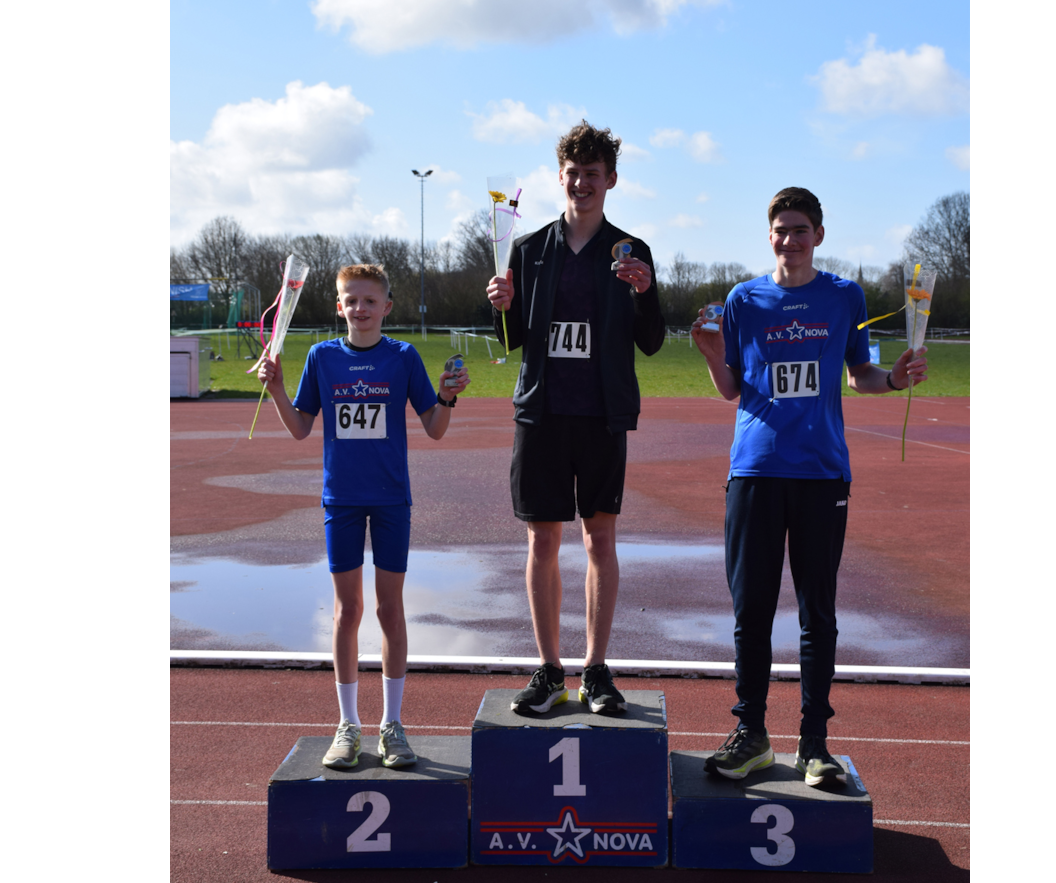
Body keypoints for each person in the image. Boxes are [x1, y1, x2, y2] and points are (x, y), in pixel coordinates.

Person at [689, 188, 928, 787]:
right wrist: (711, 353)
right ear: (768, 235)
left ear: (818, 236)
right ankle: (751, 734)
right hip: (755, 471)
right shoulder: (744, 299)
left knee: (817, 611)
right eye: (780, 229)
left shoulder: (844, 295)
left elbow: (860, 373)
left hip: (821, 473)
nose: (789, 239)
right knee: (751, 611)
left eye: (800, 230)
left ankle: (814, 744)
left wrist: (895, 379)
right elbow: (731, 387)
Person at [257, 263, 470, 769]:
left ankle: (392, 725)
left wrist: (447, 396)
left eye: (370, 301)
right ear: (339, 306)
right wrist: (278, 388)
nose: (360, 308)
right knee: (346, 611)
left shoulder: (403, 356)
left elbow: (435, 427)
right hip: (342, 500)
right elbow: (300, 428)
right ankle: (348, 724)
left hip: (392, 499)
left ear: (386, 307)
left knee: (389, 610)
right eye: (351, 300)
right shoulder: (322, 357)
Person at [485, 121, 665, 716]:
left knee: (599, 538)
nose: (581, 183)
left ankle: (595, 670)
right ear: (558, 177)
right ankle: (548, 670)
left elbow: (652, 341)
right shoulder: (528, 249)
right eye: (572, 173)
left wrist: (644, 294)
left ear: (610, 180)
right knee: (542, 540)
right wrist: (501, 307)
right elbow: (509, 340)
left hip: (601, 415)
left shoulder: (632, 252)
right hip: (541, 413)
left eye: (592, 173)